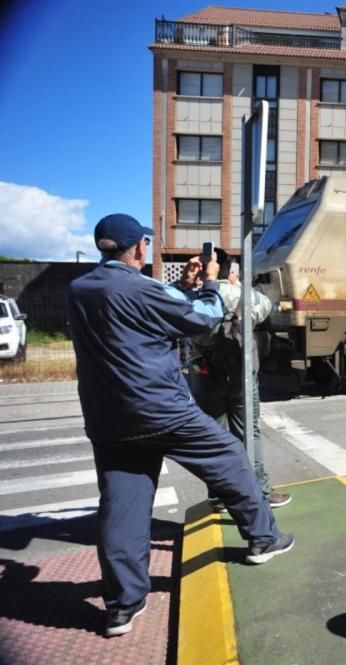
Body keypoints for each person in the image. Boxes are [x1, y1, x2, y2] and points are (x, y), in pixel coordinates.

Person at [68, 214, 294, 638]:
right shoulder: (141, 287)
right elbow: (203, 318)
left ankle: (122, 606)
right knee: (228, 454)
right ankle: (264, 538)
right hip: (159, 408)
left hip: (107, 417)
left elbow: (141, 314)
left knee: (123, 505)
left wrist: (183, 287)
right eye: (146, 245)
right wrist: (209, 283)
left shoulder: (79, 289)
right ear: (138, 248)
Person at [174, 250, 290, 509]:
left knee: (214, 435)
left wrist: (188, 284)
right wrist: (238, 288)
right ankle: (260, 490)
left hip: (204, 375)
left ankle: (218, 494)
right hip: (241, 377)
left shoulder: (192, 297)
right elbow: (265, 307)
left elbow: (174, 313)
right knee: (249, 432)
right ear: (231, 271)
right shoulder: (241, 294)